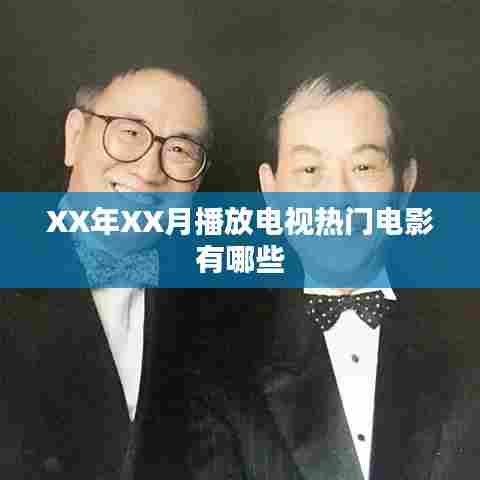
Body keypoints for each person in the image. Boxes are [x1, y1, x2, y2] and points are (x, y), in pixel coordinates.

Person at [242, 74, 458, 479]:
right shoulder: (217, 358)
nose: (338, 199)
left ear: (405, 184)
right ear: (271, 191)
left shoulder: (463, 342)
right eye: (310, 169)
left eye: (363, 166)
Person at [11, 66, 216, 479]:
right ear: (74, 137)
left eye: (179, 149)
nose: (149, 171)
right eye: (130, 132)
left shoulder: (222, 307)